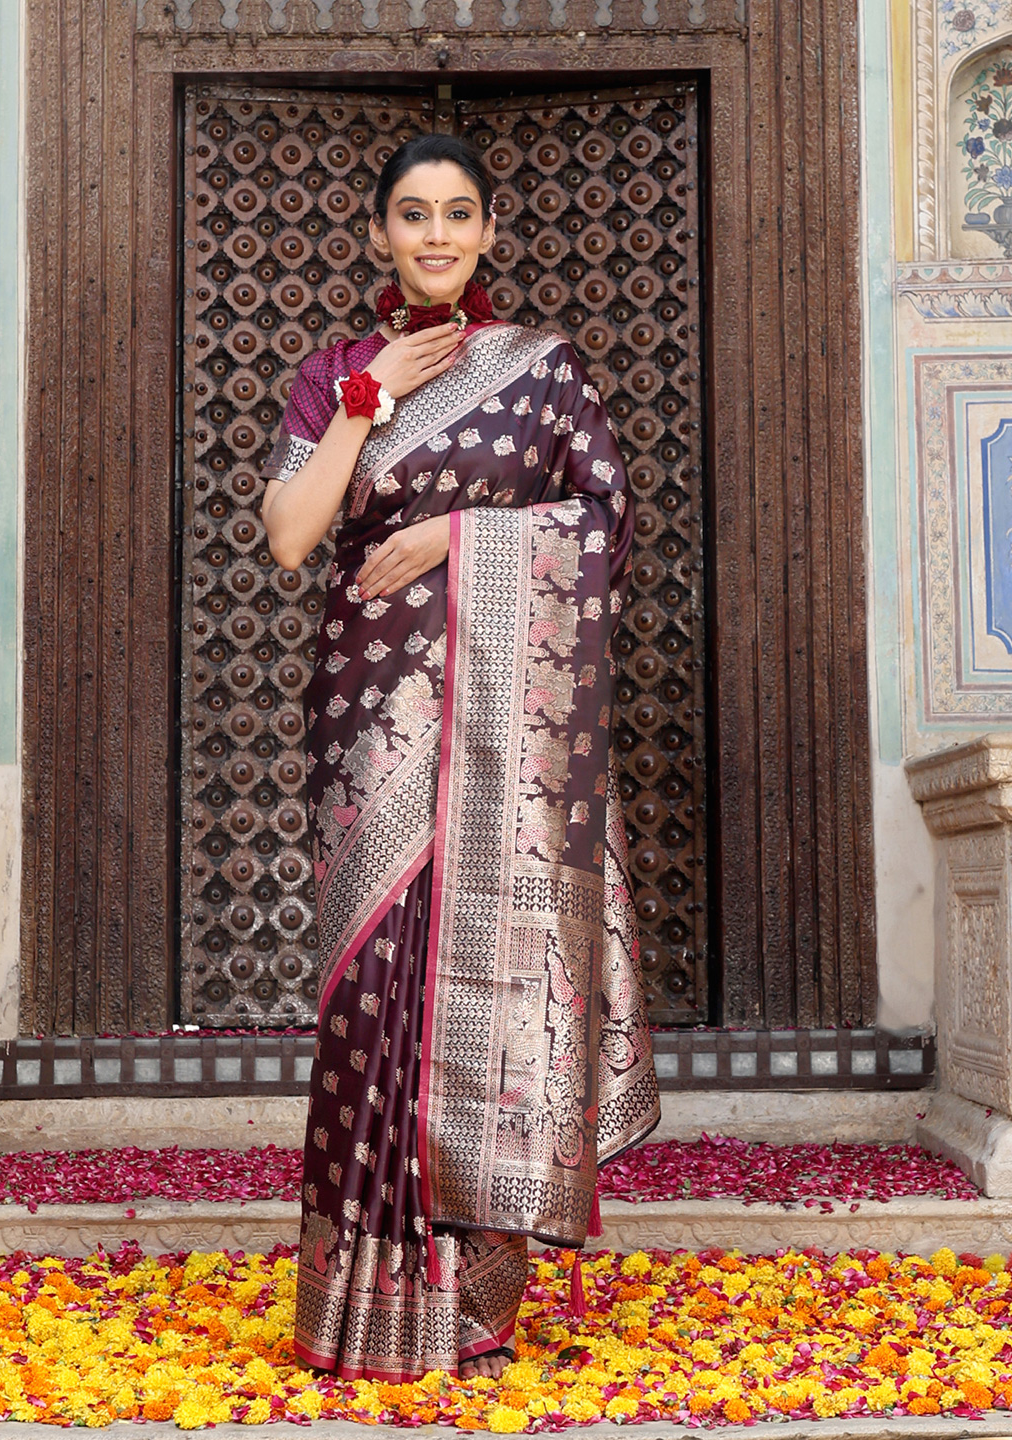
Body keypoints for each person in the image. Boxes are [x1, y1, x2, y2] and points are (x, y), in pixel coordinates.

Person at [261, 133, 660, 1385]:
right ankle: (361, 1305)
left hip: (502, 726)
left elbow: (605, 520)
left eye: (457, 214)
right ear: (381, 232)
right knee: (375, 990)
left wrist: (452, 535)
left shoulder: (543, 370)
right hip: (372, 718)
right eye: (413, 214)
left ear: (488, 231)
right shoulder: (332, 373)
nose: (436, 235)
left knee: (482, 977)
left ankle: (469, 1293)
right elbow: (291, 536)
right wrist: (366, 393)